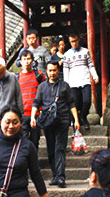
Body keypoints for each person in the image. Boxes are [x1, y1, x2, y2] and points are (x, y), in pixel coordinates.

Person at [30, 60, 79, 188]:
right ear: (47, 71)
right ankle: (54, 175)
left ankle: (61, 176)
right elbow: (36, 102)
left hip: (62, 120)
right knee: (51, 149)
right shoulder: (42, 87)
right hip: (48, 122)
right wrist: (32, 117)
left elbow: (71, 103)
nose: (52, 73)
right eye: (50, 70)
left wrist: (76, 120)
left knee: (60, 148)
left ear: (58, 71)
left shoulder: (64, 86)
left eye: (54, 70)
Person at [63, 31, 99, 132]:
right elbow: (66, 70)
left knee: (87, 101)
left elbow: (90, 65)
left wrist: (95, 76)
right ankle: (76, 122)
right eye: (72, 42)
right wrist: (66, 84)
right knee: (76, 103)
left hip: (85, 80)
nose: (74, 43)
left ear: (79, 39)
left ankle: (83, 116)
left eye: (75, 41)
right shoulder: (67, 55)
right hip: (73, 82)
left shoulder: (85, 51)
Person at [17, 49, 45, 149]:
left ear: (32, 60)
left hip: (36, 114)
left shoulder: (39, 75)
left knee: (35, 140)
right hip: (23, 114)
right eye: (24, 59)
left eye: (28, 59)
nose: (26, 61)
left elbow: (44, 93)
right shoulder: (17, 77)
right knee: (23, 140)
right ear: (20, 61)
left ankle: (33, 162)